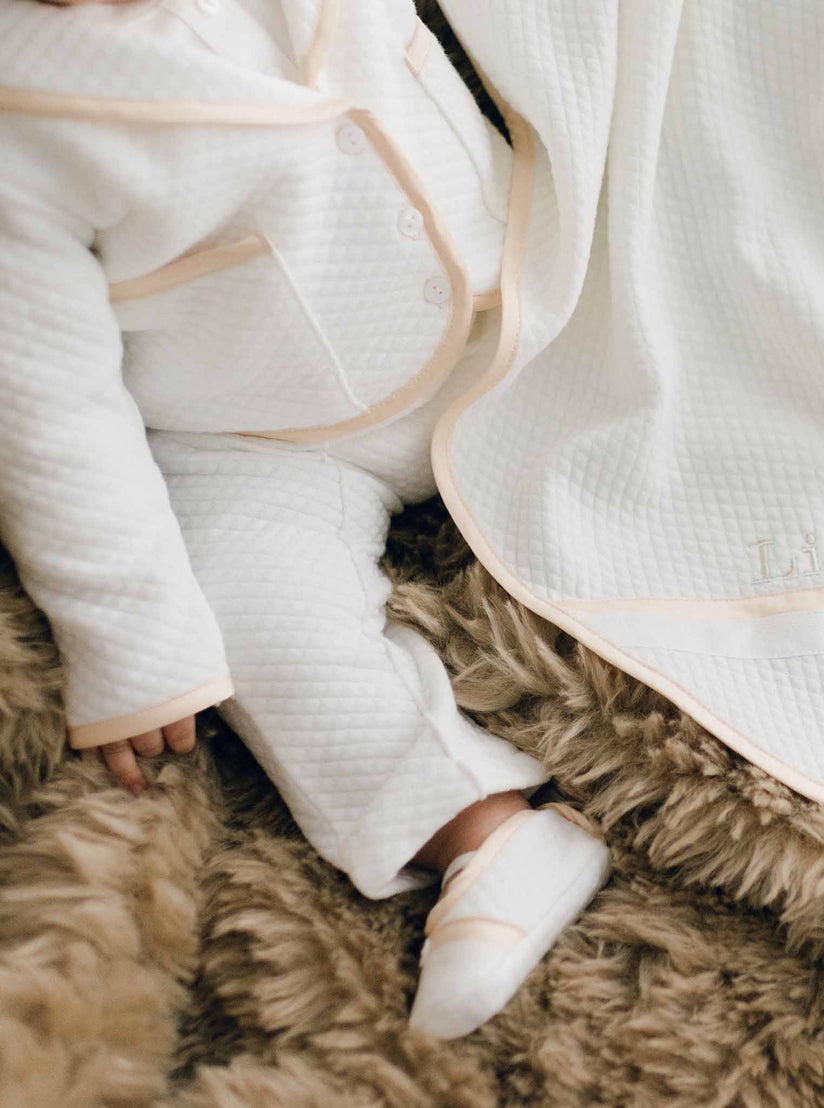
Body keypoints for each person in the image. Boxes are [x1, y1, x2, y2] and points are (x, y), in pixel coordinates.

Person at [0, 0, 610, 1039]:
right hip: (268, 432)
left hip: (541, 263)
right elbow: (47, 410)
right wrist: (132, 636)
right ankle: (479, 830)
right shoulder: (25, 119)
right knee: (242, 596)